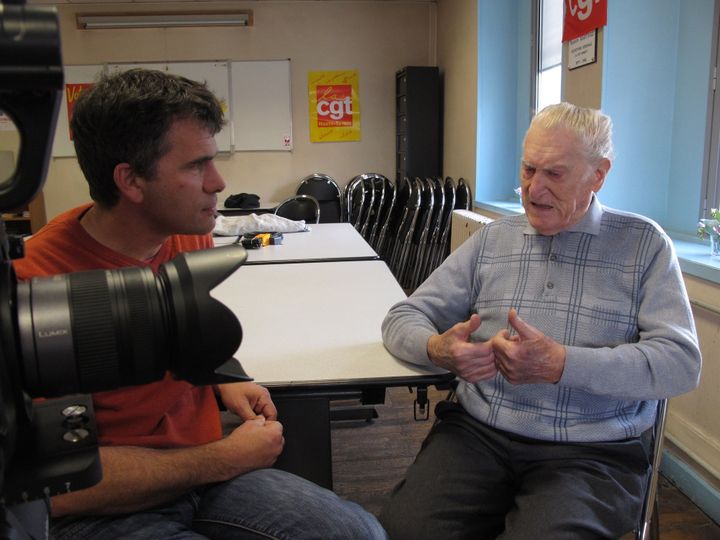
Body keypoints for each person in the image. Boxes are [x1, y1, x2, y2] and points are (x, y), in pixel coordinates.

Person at [14, 69, 385, 540]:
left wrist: (224, 380)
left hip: (207, 477)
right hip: (106, 507)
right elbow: (58, 487)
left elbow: (190, 336)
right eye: (196, 166)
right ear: (130, 180)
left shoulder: (187, 234)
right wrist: (221, 458)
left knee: (360, 533)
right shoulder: (33, 286)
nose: (218, 181)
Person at [380, 102, 702, 539]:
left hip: (593, 452)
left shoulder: (643, 247)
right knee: (402, 531)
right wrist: (438, 349)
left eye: (554, 174)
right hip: (479, 434)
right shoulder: (494, 239)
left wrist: (562, 365)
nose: (534, 189)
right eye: (528, 169)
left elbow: (680, 363)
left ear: (599, 174)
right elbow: (404, 316)